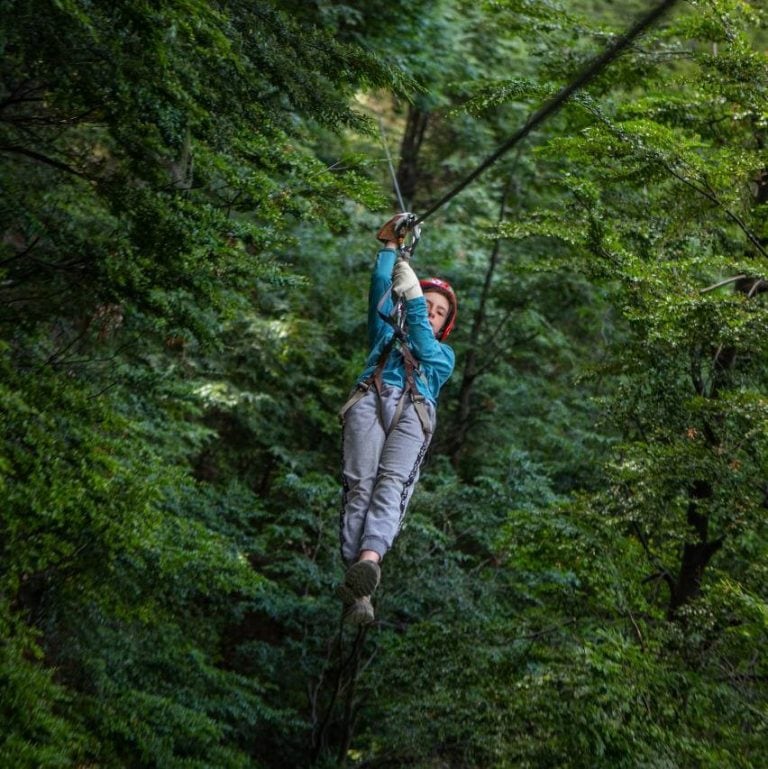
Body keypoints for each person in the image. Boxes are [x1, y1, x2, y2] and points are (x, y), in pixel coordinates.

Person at [337, 213, 458, 624]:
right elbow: (378, 290)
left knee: (391, 483)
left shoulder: (443, 357)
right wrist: (390, 247)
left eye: (441, 312)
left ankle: (369, 560)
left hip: (414, 410)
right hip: (371, 397)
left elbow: (423, 346)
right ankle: (357, 587)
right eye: (430, 304)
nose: (433, 313)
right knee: (360, 486)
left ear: (445, 324)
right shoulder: (385, 331)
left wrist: (418, 300)